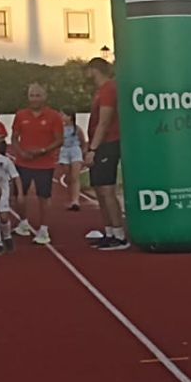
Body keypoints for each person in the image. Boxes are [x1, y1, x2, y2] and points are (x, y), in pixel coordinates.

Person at [10, 83, 66, 246]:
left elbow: (59, 140)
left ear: (44, 97)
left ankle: (43, 229)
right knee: (19, 195)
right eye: (31, 95)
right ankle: (23, 222)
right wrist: (20, 152)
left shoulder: (54, 116)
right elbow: (14, 137)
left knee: (44, 197)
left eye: (37, 95)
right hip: (22, 162)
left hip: (44, 164)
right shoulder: (20, 115)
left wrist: (42, 151)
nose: (34, 99)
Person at [84, 57, 127, 249]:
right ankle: (109, 231)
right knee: (100, 190)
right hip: (101, 143)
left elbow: (104, 121)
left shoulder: (109, 89)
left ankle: (119, 234)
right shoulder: (101, 91)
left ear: (94, 70)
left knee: (107, 189)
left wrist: (93, 148)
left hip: (108, 143)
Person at [56, 112, 85, 211]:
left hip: (75, 150)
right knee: (68, 177)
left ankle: (76, 201)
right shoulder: (59, 129)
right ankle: (70, 198)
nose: (62, 117)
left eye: (64, 115)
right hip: (64, 151)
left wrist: (83, 153)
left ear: (70, 117)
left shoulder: (77, 129)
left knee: (75, 177)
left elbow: (83, 141)